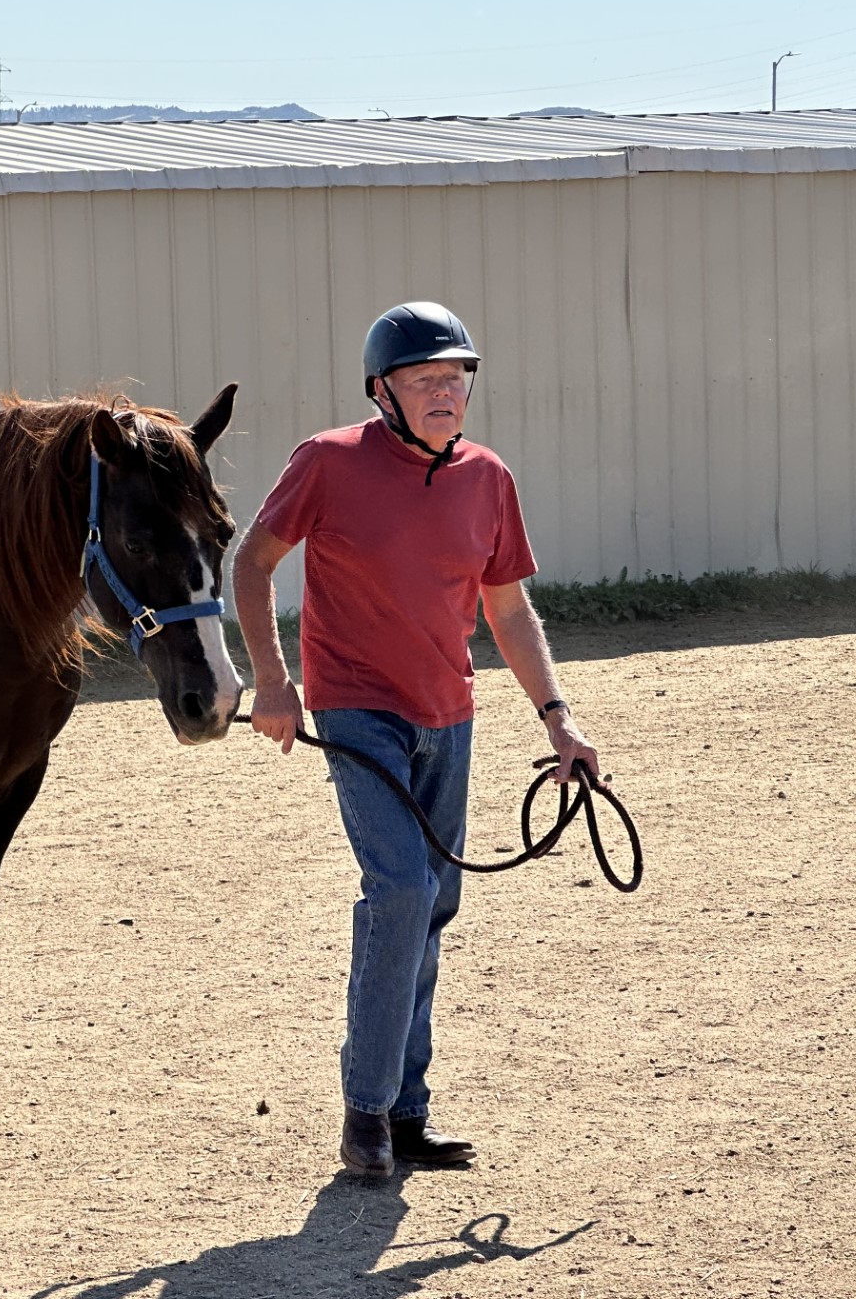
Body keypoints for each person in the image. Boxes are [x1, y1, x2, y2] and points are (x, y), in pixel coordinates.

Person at [232, 301, 601, 1179]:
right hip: (359, 709)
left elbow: (507, 609)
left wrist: (559, 717)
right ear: (382, 392)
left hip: (451, 714)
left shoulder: (488, 479)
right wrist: (277, 683)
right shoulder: (327, 462)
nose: (447, 392)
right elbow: (252, 564)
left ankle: (406, 1113)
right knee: (398, 890)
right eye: (426, 379)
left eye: (457, 378)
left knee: (434, 905)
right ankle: (364, 1113)